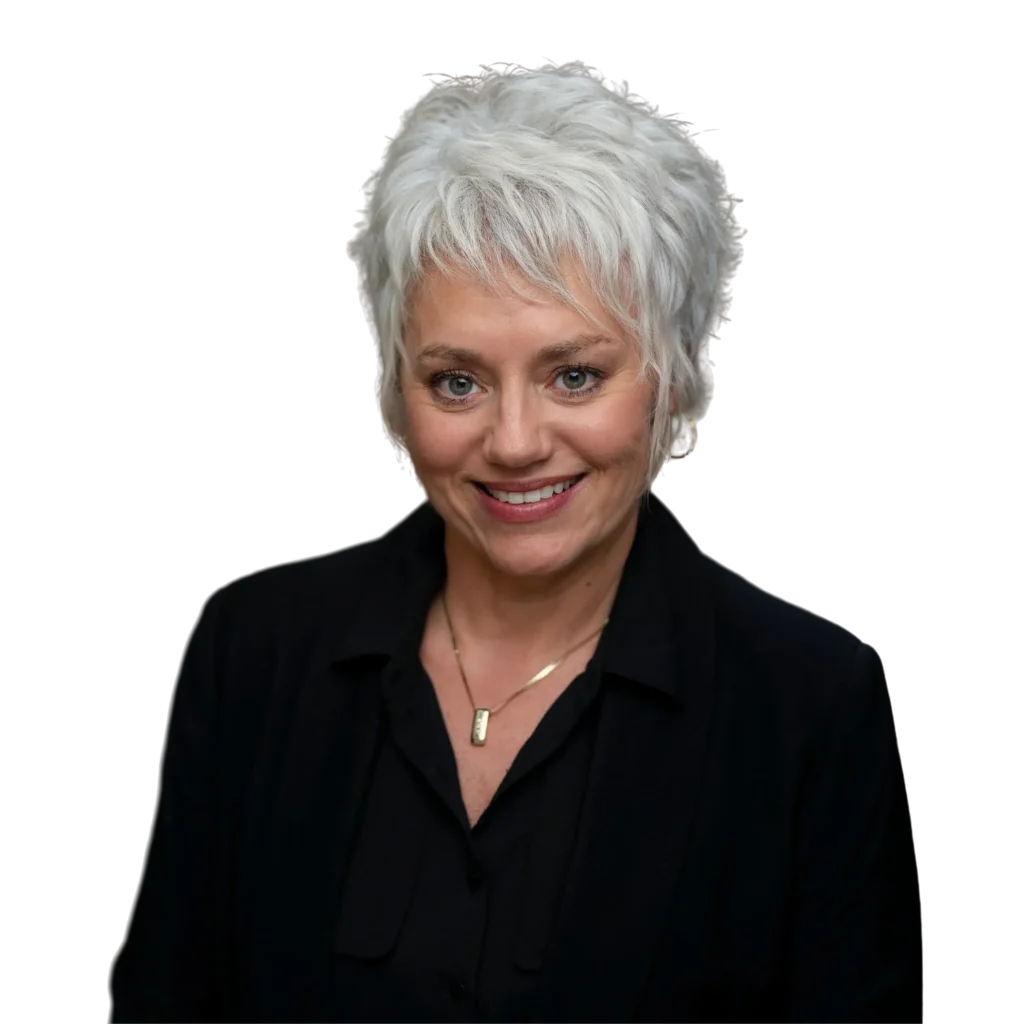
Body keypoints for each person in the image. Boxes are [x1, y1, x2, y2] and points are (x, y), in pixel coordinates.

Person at [106, 61, 927, 1021]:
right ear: (398, 394)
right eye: (458, 380)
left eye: (573, 376)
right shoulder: (252, 651)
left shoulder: (812, 709)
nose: (513, 442)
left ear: (670, 381)